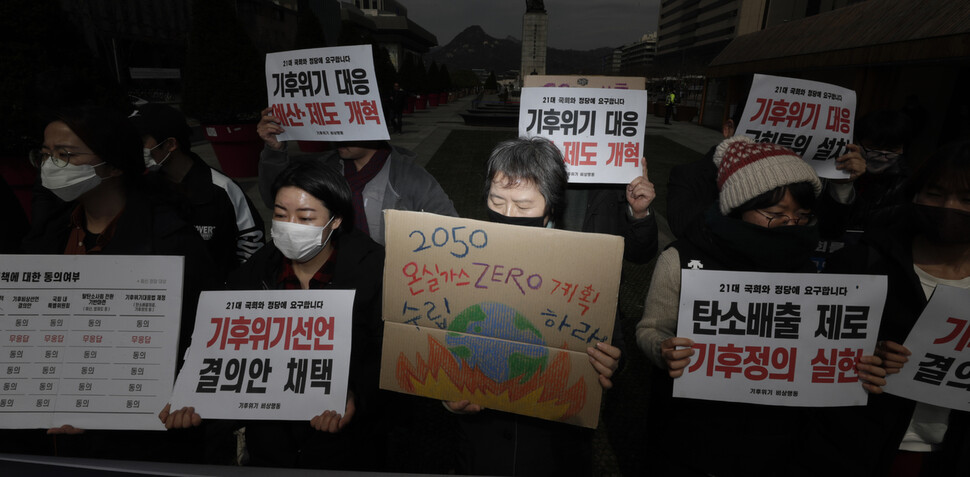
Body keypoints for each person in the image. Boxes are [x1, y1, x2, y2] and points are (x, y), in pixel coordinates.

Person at [636, 135, 887, 475]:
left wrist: (862, 358)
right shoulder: (682, 258)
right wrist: (662, 349)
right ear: (737, 207)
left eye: (801, 215)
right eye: (775, 213)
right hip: (692, 430)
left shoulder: (805, 265)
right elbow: (651, 328)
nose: (790, 223)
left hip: (775, 435)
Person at [160, 160, 385, 470]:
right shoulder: (251, 276)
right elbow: (221, 352)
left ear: (335, 221)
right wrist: (194, 396)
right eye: (280, 215)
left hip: (349, 450)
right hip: (271, 451)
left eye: (305, 217)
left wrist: (354, 394)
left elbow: (388, 357)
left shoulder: (375, 273)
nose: (289, 225)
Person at [23, 104, 217, 462]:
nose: (51, 166)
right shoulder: (49, 235)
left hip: (139, 442)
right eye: (46, 154)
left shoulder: (170, 240)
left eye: (66, 155)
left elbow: (201, 341)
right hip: (54, 437)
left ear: (112, 165)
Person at [443, 137, 622, 476]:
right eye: (497, 201)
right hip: (481, 446)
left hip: (555, 450)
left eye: (523, 207)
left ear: (550, 207)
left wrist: (613, 363)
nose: (507, 215)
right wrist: (447, 399)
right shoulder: (461, 260)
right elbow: (437, 339)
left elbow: (615, 347)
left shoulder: (587, 267)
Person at [811, 141, 970, 476]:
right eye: (935, 193)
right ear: (914, 195)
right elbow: (811, 344)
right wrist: (867, 352)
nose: (949, 207)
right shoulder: (863, 262)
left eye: (967, 200)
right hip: (858, 448)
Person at [256, 107, 457, 245]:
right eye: (336, 124)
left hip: (386, 285)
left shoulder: (411, 178)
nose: (339, 133)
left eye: (349, 126)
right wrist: (275, 150)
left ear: (376, 125)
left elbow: (452, 231)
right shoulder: (323, 169)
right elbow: (273, 200)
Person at [131, 104, 265, 282]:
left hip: (213, 302)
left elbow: (252, 246)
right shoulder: (141, 188)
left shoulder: (221, 188)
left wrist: (229, 291)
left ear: (170, 144)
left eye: (141, 142)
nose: (133, 148)